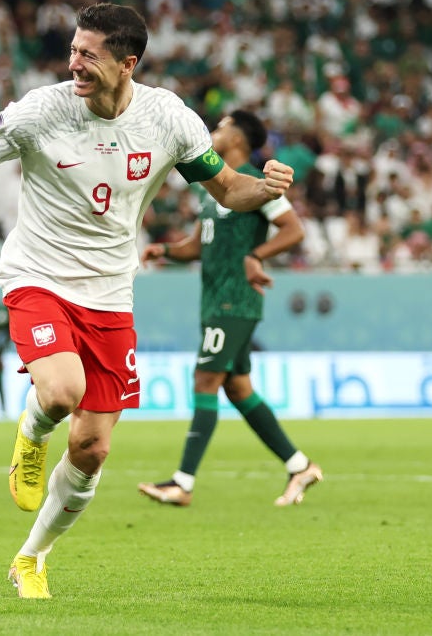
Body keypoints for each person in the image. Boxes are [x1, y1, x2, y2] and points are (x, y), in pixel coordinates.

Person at [0, 3, 294, 599]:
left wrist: (264, 187)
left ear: (127, 63)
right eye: (73, 51)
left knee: (93, 447)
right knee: (60, 392)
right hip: (39, 275)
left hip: (110, 291)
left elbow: (228, 188)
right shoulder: (41, 110)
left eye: (89, 55)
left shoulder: (168, 120)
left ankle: (31, 558)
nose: (73, 64)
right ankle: (31, 435)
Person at [135, 110, 323, 509]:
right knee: (237, 389)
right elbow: (197, 245)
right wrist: (167, 250)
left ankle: (182, 483)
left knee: (205, 380)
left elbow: (294, 229)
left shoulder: (259, 183)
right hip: (215, 299)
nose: (213, 132)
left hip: (235, 299)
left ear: (238, 137)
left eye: (219, 127)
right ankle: (299, 465)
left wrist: (256, 254)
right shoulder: (216, 187)